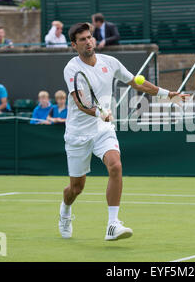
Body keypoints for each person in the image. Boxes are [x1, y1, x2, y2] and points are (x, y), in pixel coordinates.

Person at [59, 22, 187, 241]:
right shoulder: (72, 68)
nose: (89, 42)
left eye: (90, 37)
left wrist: (168, 95)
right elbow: (80, 103)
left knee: (115, 165)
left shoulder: (110, 62)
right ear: (74, 45)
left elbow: (137, 83)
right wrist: (98, 113)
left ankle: (112, 225)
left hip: (102, 129)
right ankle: (65, 211)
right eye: (82, 39)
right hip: (78, 133)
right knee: (76, 188)